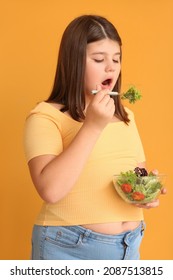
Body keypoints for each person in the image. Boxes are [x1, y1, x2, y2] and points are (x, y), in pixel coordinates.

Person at [24, 15, 166, 260]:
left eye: (116, 59)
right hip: (67, 247)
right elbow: (50, 190)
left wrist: (145, 188)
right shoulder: (45, 116)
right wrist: (92, 126)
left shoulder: (125, 115)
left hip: (128, 246)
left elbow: (136, 170)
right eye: (99, 59)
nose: (111, 67)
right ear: (73, 63)